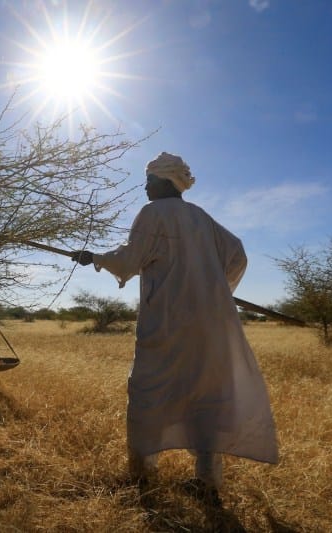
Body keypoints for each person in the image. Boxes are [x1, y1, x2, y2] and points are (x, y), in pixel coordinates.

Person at [72, 152, 278, 503]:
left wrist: (94, 258)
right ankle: (208, 483)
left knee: (147, 392)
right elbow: (238, 254)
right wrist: (216, 290)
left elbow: (130, 259)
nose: (145, 186)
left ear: (165, 181)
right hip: (209, 325)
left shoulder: (153, 213)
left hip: (167, 324)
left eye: (149, 180)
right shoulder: (201, 217)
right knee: (206, 396)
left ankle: (142, 474)